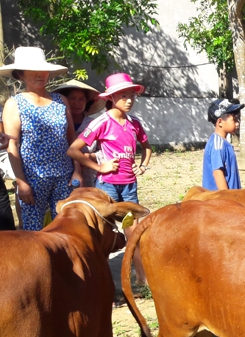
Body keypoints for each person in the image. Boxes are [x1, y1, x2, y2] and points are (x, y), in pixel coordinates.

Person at [67, 72, 152, 286]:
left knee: (133, 233)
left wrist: (142, 166)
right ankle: (102, 284)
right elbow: (73, 150)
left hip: (129, 186)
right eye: (123, 95)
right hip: (107, 187)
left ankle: (142, 279)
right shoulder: (101, 123)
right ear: (111, 98)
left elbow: (147, 147)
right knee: (104, 237)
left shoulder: (135, 123)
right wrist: (99, 167)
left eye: (131, 95)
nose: (129, 100)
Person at [1, 46, 81, 231]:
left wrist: (76, 170)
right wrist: (21, 181)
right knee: (33, 230)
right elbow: (12, 144)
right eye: (33, 71)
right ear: (21, 75)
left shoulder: (60, 100)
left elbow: (72, 139)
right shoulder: (15, 104)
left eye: (42, 70)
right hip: (33, 177)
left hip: (64, 175)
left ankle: (63, 261)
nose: (40, 75)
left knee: (66, 226)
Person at [52, 80, 105, 186]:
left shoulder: (94, 125)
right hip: (60, 178)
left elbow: (105, 151)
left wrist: (90, 156)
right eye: (72, 99)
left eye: (82, 99)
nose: (77, 103)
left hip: (90, 179)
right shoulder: (55, 125)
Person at [202, 98, 244, 191]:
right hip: (220, 201)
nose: (238, 124)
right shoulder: (218, 144)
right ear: (220, 122)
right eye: (234, 120)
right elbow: (218, 173)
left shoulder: (223, 143)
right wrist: (227, 198)